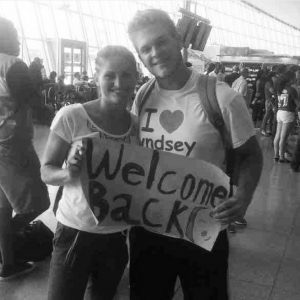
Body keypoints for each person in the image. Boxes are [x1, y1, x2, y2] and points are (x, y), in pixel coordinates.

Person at [127, 9, 263, 300]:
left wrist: (244, 196)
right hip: (149, 228)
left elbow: (251, 155)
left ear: (178, 40)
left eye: (160, 42)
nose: (155, 53)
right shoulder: (143, 96)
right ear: (140, 57)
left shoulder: (221, 96)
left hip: (203, 228)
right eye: (145, 49)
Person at [41, 45, 139, 300]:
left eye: (127, 75)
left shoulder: (136, 126)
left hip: (116, 236)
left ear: (136, 78)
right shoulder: (72, 116)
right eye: (110, 76)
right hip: (75, 231)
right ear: (97, 78)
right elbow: (46, 171)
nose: (119, 83)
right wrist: (68, 173)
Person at [0, 17, 50, 280]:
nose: (19, 40)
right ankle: (4, 243)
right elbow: (35, 102)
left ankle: (8, 263)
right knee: (38, 202)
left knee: (4, 207)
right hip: (13, 145)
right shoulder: (13, 65)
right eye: (14, 35)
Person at [273, 71, 299, 163]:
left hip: (280, 112)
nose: (295, 78)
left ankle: (276, 155)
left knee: (278, 136)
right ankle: (282, 157)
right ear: (290, 79)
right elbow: (298, 104)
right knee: (284, 137)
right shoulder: (292, 89)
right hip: (288, 113)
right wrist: (296, 110)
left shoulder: (279, 89)